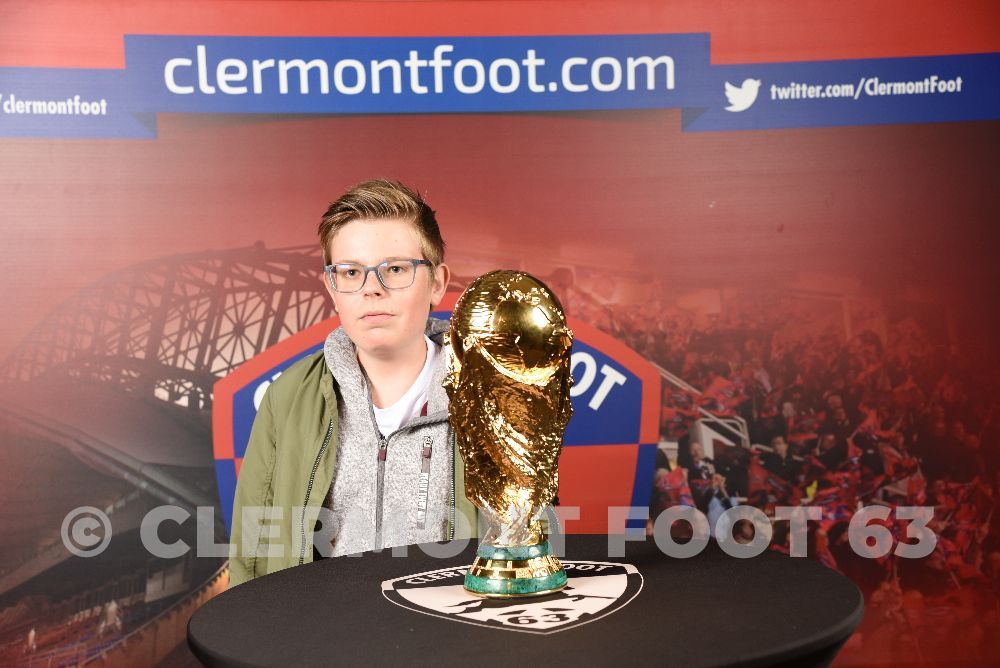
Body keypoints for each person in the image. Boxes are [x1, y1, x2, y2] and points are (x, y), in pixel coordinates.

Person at [228, 179, 478, 588]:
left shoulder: (490, 396)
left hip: (452, 641)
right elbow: (252, 553)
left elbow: (533, 546)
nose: (372, 289)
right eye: (350, 272)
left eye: (395, 269)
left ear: (437, 283)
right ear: (331, 286)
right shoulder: (289, 398)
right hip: (322, 644)